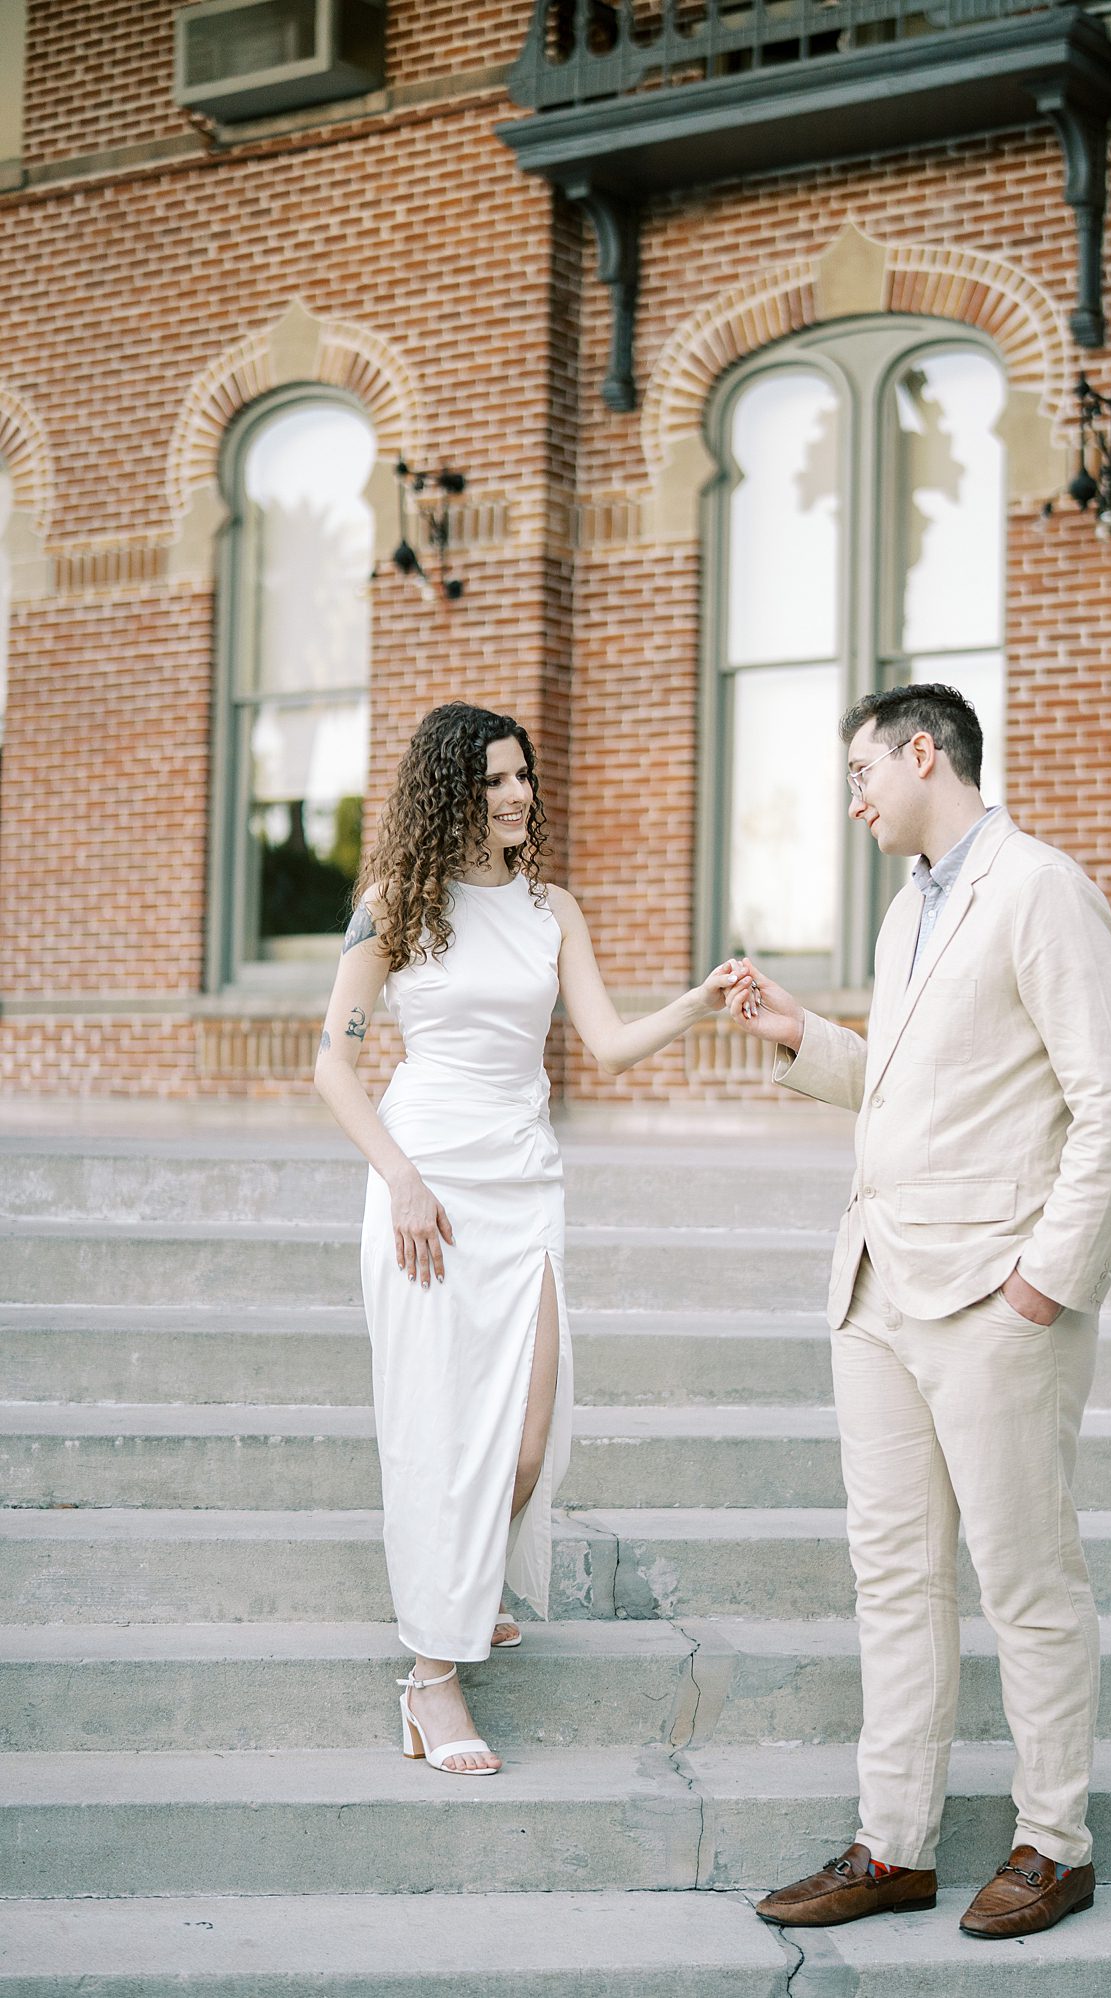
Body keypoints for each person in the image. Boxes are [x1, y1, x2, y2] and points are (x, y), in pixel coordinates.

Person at [725, 683, 1111, 1938]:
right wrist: (799, 1032)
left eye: (862, 770)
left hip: (992, 1298)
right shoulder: (907, 913)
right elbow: (918, 1089)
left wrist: (1046, 1280)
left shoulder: (1038, 889)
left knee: (1026, 1578)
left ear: (927, 754)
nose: (853, 797)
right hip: (879, 1289)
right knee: (895, 1581)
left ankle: (1054, 1843)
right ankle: (894, 1845)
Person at [315, 701, 740, 1775]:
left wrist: (695, 1002)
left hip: (523, 1186)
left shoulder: (555, 909)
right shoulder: (395, 909)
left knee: (527, 1442)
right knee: (436, 1433)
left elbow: (605, 1043)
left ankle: (464, 1586)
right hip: (428, 1189)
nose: (517, 796)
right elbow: (333, 1063)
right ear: (451, 791)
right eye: (495, 780)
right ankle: (431, 1678)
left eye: (523, 778)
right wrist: (402, 1181)